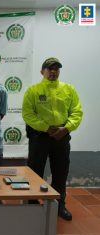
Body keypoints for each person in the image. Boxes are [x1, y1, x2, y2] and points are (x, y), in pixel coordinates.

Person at [22, 57, 83, 221]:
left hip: (61, 136)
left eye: (56, 69)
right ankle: (32, 203)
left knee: (61, 171)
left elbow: (77, 112)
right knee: (34, 171)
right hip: (40, 136)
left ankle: (59, 205)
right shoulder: (33, 91)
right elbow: (28, 114)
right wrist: (46, 127)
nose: (53, 71)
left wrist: (67, 127)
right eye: (50, 69)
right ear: (42, 71)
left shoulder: (68, 89)